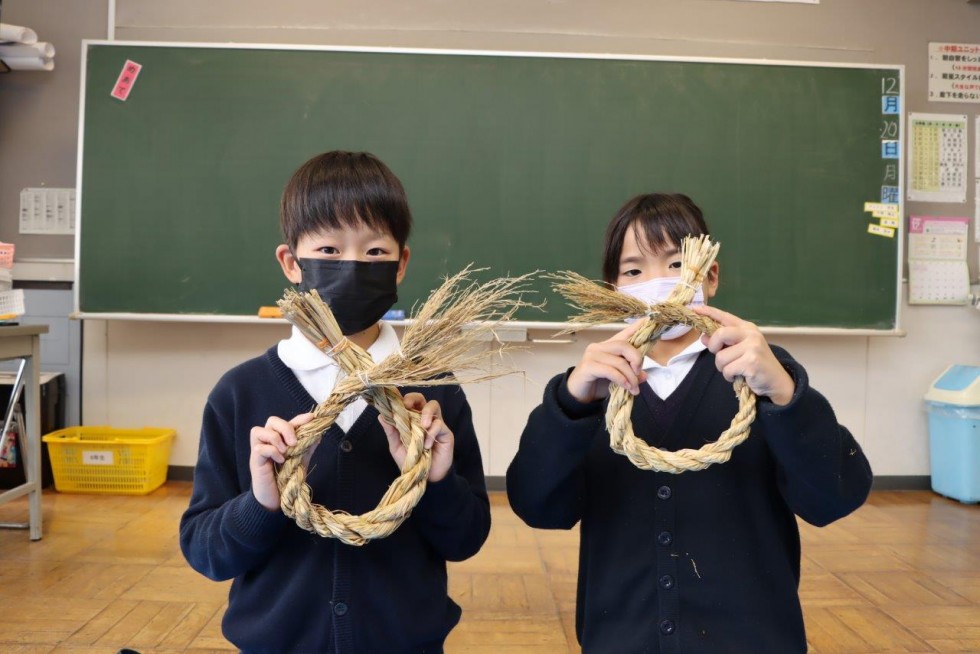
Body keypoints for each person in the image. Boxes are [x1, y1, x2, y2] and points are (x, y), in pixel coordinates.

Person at [506, 193, 872, 654]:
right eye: (634, 271)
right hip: (622, 637)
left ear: (710, 275)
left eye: (677, 263)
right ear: (612, 289)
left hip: (751, 640)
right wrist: (570, 404)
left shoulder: (761, 375)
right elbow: (538, 508)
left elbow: (833, 499)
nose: (659, 283)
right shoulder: (594, 388)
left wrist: (782, 391)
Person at [180, 151, 491, 653]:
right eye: (327, 249)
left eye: (373, 253)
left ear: (401, 264)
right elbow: (207, 555)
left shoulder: (433, 389)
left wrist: (435, 480)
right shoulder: (241, 394)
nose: (351, 265)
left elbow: (467, 539)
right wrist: (262, 500)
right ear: (291, 263)